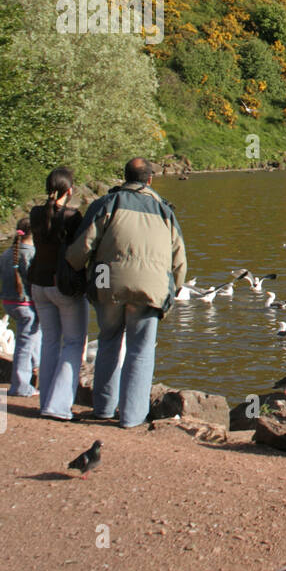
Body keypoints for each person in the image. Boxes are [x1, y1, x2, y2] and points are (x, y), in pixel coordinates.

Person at [67, 157, 186, 429]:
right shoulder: (165, 210)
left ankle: (103, 408)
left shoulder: (106, 204)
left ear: (124, 177)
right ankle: (132, 417)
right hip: (151, 288)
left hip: (107, 284)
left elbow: (82, 248)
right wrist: (173, 289)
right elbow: (180, 259)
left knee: (108, 341)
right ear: (150, 180)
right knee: (141, 351)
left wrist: (73, 265)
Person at [28, 167, 89, 421]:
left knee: (50, 342)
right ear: (70, 190)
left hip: (38, 285)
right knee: (74, 343)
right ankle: (59, 405)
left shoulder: (35, 213)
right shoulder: (73, 217)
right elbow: (82, 250)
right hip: (63, 286)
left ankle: (45, 401)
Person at [0, 219, 40, 398]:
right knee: (24, 344)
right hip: (26, 304)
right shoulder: (31, 253)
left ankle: (36, 371)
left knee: (33, 339)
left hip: (9, 303)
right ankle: (21, 386)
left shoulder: (6, 253)